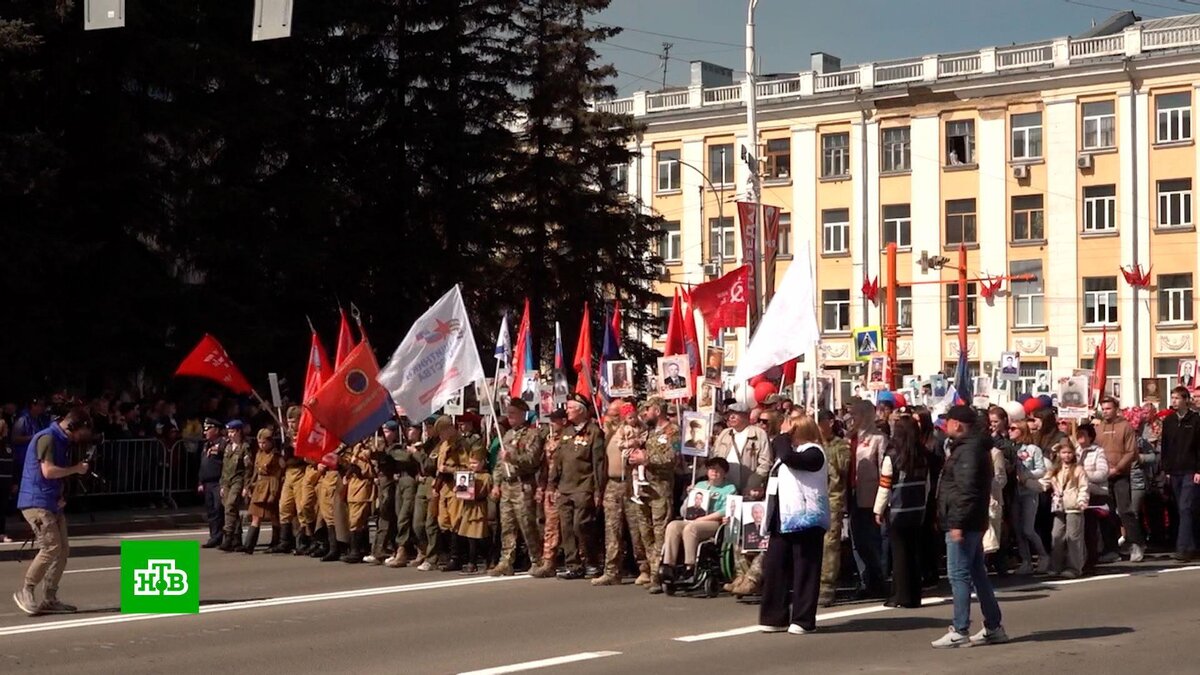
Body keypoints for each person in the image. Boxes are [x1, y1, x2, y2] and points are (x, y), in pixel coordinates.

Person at [931, 405, 1008, 648]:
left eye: (948, 421)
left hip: (965, 522)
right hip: (972, 520)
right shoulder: (971, 447)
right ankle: (993, 626)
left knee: (958, 574)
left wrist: (956, 523)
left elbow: (966, 490)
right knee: (976, 573)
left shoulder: (969, 450)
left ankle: (960, 628)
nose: (946, 425)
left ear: (958, 424)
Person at [12, 408, 91, 616]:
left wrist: (60, 494)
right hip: (36, 501)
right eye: (82, 431)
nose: (82, 437)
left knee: (62, 550)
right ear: (72, 426)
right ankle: (26, 590)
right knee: (51, 547)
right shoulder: (47, 438)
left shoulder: (59, 440)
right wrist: (76, 469)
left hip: (50, 501)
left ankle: (50, 598)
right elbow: (47, 471)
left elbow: (53, 475)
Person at [757, 415, 829, 635]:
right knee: (775, 567)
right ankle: (774, 616)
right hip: (784, 519)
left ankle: (803, 619)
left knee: (805, 570)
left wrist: (782, 436)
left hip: (807, 520)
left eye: (788, 427)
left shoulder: (814, 452)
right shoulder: (789, 453)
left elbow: (788, 456)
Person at [547, 394, 606, 580]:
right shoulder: (566, 432)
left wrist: (598, 490)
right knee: (566, 527)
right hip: (565, 487)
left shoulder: (594, 432)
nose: (567, 411)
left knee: (581, 525)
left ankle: (592, 561)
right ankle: (573, 564)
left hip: (584, 486)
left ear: (581, 410)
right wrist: (551, 484)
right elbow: (558, 460)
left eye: (571, 408)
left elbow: (598, 463)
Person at [873, 416, 929, 609]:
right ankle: (914, 595)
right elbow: (928, 485)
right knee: (914, 552)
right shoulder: (922, 454)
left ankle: (900, 595)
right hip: (918, 509)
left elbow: (884, 486)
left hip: (898, 510)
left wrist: (878, 509)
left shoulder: (893, 455)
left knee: (899, 554)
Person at [489, 399, 545, 577]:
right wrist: (496, 484)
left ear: (523, 414)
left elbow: (532, 460)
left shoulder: (532, 434)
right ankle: (506, 561)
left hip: (523, 484)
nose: (510, 416)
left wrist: (512, 458)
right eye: (508, 413)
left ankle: (537, 559)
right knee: (507, 525)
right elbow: (499, 464)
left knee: (527, 524)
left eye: (513, 413)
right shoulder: (506, 435)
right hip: (507, 485)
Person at [593, 402, 647, 586]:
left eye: (615, 414)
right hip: (612, 484)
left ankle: (645, 568)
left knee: (636, 528)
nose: (611, 417)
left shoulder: (636, 429)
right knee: (612, 529)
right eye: (610, 413)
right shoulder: (608, 434)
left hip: (631, 483)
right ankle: (611, 571)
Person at [661, 457, 736, 578]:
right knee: (673, 526)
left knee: (691, 528)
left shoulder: (730, 488)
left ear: (725, 473)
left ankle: (690, 565)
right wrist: (689, 496)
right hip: (693, 519)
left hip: (713, 522)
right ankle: (669, 564)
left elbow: (725, 510)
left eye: (718, 470)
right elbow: (684, 511)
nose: (714, 472)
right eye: (711, 469)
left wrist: (703, 519)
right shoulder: (699, 485)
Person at [633, 397, 677, 592]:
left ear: (657, 411)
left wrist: (647, 458)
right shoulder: (648, 432)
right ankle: (652, 570)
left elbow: (672, 457)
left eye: (648, 410)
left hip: (661, 489)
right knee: (645, 531)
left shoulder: (672, 432)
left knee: (660, 532)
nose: (644, 414)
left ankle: (658, 576)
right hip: (643, 489)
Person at [1096, 397, 1146, 562]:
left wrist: (1117, 468)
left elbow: (1131, 452)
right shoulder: (1099, 428)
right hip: (1104, 476)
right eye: (1103, 408)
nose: (1105, 411)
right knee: (1106, 512)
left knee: (1125, 511)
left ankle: (1136, 544)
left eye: (1108, 408)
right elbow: (1096, 450)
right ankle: (1111, 549)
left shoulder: (1125, 426)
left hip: (1121, 475)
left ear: (1116, 409)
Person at [849, 399, 888, 599]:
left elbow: (884, 470)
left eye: (855, 414)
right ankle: (864, 579)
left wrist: (883, 499)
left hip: (869, 495)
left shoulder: (878, 439)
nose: (851, 418)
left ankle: (877, 579)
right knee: (856, 540)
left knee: (871, 539)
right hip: (851, 494)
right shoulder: (848, 438)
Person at [1160, 386, 1200, 562]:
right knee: (1184, 509)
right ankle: (1194, 545)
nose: (1174, 401)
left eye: (1177, 398)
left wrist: (1199, 469)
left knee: (1186, 507)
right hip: (1174, 471)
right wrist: (1166, 469)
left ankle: (1183, 548)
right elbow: (1165, 447)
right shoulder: (1168, 421)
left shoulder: (1196, 420)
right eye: (1173, 397)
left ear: (1186, 399)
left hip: (1191, 470)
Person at [816, 409, 849, 607]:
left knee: (829, 544)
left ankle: (827, 585)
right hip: (812, 501)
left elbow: (842, 470)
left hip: (832, 499)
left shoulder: (840, 445)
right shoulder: (811, 445)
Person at [1042, 440, 1089, 578]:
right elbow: (1044, 483)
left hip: (1074, 506)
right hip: (1058, 507)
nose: (1066, 455)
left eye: (1069, 452)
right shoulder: (1055, 470)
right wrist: (1027, 481)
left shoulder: (1078, 469)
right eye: (1063, 452)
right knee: (1056, 535)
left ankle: (1074, 568)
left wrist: (1082, 501)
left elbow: (1083, 487)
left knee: (1073, 537)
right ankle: (1056, 565)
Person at [531, 409, 569, 578]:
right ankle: (549, 561)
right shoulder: (549, 440)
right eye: (550, 420)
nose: (551, 424)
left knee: (570, 527)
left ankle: (578, 560)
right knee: (550, 525)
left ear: (563, 421)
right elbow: (545, 467)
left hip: (566, 485)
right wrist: (541, 487)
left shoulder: (570, 438)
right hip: (550, 487)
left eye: (555, 420)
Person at [1009, 420, 1048, 574]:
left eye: (1013, 429)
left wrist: (1026, 475)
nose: (1010, 431)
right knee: (1018, 529)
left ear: (1022, 431)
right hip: (1014, 492)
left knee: (1028, 529)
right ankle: (1026, 561)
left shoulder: (1033, 450)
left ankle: (1043, 555)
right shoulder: (1011, 448)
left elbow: (1042, 470)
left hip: (1029, 492)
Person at [242, 428, 284, 555]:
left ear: (271, 442)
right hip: (259, 487)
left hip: (270, 487)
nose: (261, 445)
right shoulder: (259, 454)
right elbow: (255, 472)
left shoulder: (276, 456)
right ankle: (249, 545)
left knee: (273, 516)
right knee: (255, 516)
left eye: (264, 442)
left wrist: (273, 493)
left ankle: (276, 542)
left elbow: (276, 476)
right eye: (260, 442)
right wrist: (249, 486)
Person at [271, 406, 306, 554]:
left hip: (300, 471)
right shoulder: (287, 436)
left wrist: (297, 445)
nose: (291, 425)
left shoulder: (305, 435)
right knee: (284, 506)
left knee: (301, 508)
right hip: (289, 472)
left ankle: (302, 542)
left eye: (293, 421)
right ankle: (285, 541)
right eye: (289, 421)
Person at [217, 421, 252, 552]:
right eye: (229, 432)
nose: (230, 434)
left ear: (238, 432)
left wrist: (246, 486)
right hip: (227, 481)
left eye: (232, 432)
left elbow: (248, 468)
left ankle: (228, 536)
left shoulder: (244, 447)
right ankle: (237, 538)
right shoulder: (227, 447)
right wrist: (222, 484)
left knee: (230, 505)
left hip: (238, 480)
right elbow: (224, 467)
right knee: (230, 509)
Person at [456, 453, 492, 574]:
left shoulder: (486, 476)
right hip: (468, 508)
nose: (472, 465)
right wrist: (460, 489)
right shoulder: (467, 475)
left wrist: (474, 487)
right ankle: (472, 562)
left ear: (482, 463)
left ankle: (487, 560)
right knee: (469, 538)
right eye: (470, 463)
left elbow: (484, 492)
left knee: (480, 537)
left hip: (479, 508)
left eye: (475, 463)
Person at [342, 441, 376, 563]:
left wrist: (357, 460)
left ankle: (356, 551)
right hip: (352, 488)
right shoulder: (351, 448)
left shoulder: (370, 448)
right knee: (354, 520)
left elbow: (371, 471)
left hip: (362, 489)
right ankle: (357, 548)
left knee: (357, 520)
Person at [197, 418, 226, 548]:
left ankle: (222, 536)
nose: (205, 432)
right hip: (207, 482)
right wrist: (200, 481)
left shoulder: (223, 443)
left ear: (216, 430)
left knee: (219, 509)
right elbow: (203, 465)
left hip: (218, 481)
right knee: (211, 511)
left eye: (208, 429)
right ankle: (214, 536)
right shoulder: (206, 445)